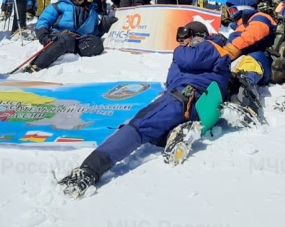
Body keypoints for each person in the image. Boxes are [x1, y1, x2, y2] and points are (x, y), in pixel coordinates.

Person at [57, 21, 232, 198]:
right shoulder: (205, 54)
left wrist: (180, 51)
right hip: (190, 104)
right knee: (154, 133)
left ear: (198, 37)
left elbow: (189, 59)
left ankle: (90, 169)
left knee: (140, 126)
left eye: (187, 37)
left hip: (182, 100)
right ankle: (176, 133)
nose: (182, 43)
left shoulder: (209, 46)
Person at [25, 0, 117, 72]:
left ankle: (68, 50)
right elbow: (43, 21)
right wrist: (44, 36)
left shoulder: (91, 12)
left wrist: (103, 27)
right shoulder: (60, 6)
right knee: (67, 38)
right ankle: (37, 65)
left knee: (97, 43)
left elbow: (93, 33)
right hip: (59, 36)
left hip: (78, 40)